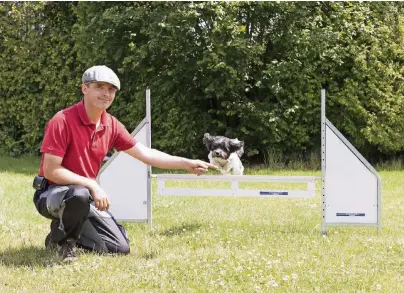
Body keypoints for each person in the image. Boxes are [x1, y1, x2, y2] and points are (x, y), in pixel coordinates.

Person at [33, 65, 217, 262]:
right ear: (84, 89)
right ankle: (66, 245)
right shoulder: (61, 120)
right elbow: (52, 170)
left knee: (119, 248)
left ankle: (57, 234)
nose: (106, 93)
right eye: (100, 87)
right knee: (79, 193)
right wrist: (93, 184)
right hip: (50, 195)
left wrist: (186, 163)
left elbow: (146, 153)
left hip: (82, 197)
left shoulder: (111, 124)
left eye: (111, 89)